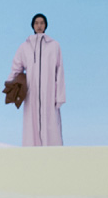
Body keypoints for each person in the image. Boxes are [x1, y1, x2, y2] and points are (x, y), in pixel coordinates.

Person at [9, 13, 66, 146]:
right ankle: (32, 154)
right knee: (31, 124)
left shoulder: (54, 46)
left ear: (45, 25)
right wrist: (10, 87)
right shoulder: (25, 47)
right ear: (32, 26)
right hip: (31, 93)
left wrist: (60, 96)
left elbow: (59, 71)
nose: (39, 26)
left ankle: (53, 154)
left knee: (51, 124)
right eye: (36, 23)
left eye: (42, 23)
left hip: (49, 92)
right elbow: (16, 67)